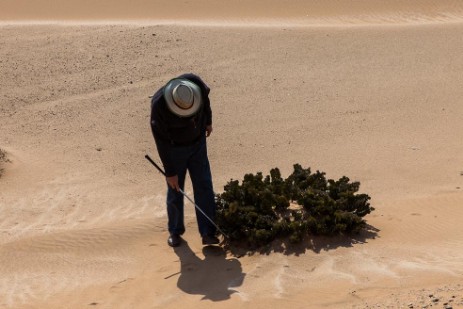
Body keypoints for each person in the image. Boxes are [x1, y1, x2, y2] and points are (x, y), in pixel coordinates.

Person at [150, 73, 219, 247]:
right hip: (174, 150)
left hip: (198, 145)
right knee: (175, 189)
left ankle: (208, 233)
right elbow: (161, 142)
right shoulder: (159, 106)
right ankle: (175, 231)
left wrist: (208, 121)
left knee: (204, 185)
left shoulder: (194, 84)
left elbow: (206, 101)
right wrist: (170, 172)